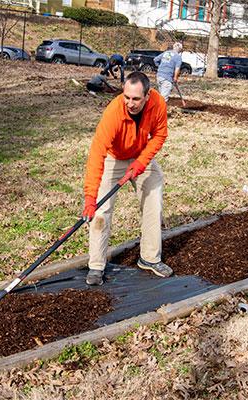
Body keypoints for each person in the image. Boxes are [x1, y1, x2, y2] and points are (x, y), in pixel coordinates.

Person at [82, 71, 173, 286]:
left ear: (148, 95)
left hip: (141, 155)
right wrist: (89, 198)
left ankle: (149, 258)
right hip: (114, 158)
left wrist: (141, 162)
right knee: (101, 211)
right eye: (126, 97)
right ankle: (96, 265)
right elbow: (97, 155)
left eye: (136, 99)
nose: (130, 103)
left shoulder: (158, 103)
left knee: (154, 199)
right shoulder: (113, 113)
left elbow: (160, 135)